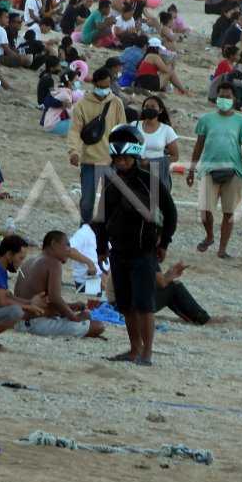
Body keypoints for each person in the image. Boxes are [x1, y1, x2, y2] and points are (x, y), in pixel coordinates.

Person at [95, 126, 177, 366]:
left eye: (125, 158)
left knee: (144, 305)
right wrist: (101, 249)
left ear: (135, 157)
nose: (121, 162)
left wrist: (165, 243)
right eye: (118, 158)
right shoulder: (110, 183)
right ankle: (134, 349)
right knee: (126, 305)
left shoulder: (149, 182)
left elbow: (170, 211)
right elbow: (101, 219)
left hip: (143, 253)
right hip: (119, 253)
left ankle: (147, 353)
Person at [187, 86, 242, 260]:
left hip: (234, 171)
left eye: (228, 96)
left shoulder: (241, 121)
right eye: (221, 96)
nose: (224, 99)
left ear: (234, 99)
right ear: (216, 97)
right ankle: (210, 236)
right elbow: (198, 145)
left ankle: (222, 249)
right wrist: (192, 169)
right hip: (209, 169)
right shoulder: (207, 119)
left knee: (229, 212)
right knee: (204, 209)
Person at [14, 231, 107, 341]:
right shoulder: (53, 263)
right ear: (54, 244)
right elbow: (55, 299)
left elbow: (42, 299)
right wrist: (75, 318)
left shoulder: (29, 262)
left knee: (86, 316)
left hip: (19, 321)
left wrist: (70, 306)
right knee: (98, 326)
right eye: (67, 245)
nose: (69, 250)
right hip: (36, 324)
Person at [67, 67, 127, 225]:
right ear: (94, 84)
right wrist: (73, 151)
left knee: (111, 202)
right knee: (87, 203)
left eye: (107, 86)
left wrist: (122, 157)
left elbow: (122, 131)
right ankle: (84, 233)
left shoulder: (116, 103)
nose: (104, 90)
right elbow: (75, 130)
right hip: (89, 161)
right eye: (101, 87)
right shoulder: (82, 104)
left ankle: (107, 235)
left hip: (111, 160)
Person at [132, 95, 178, 191]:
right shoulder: (134, 126)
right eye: (147, 106)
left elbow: (175, 156)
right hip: (135, 170)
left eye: (153, 107)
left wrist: (153, 162)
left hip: (157, 173)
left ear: (160, 110)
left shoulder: (167, 130)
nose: (149, 109)